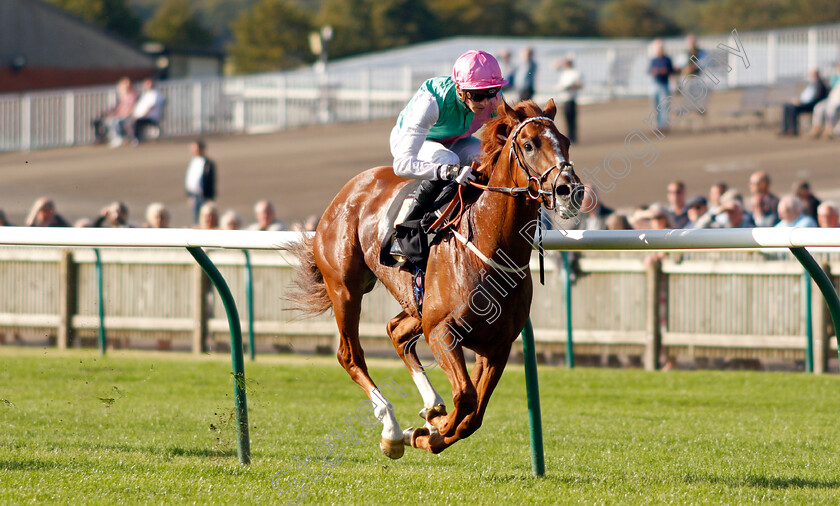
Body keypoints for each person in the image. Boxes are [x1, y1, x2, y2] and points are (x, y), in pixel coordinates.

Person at [388, 50, 508, 256]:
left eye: (492, 91)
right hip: (417, 143)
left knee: (488, 158)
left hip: (455, 140)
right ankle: (406, 231)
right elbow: (402, 164)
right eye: (477, 95)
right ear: (459, 90)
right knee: (449, 160)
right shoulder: (431, 101)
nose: (485, 102)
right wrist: (449, 172)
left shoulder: (494, 99)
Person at [779, 68, 828, 136]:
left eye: (811, 75)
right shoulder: (811, 84)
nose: (809, 76)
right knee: (787, 106)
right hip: (804, 103)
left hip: (810, 105)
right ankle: (786, 128)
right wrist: (799, 100)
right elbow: (805, 96)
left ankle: (792, 129)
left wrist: (802, 103)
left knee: (792, 108)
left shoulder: (820, 85)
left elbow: (816, 98)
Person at [184, 140, 217, 225]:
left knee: (205, 217)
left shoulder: (207, 163)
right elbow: (190, 178)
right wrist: (189, 194)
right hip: (194, 195)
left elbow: (211, 181)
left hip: (204, 196)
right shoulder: (193, 161)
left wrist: (209, 196)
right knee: (196, 218)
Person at [103, 77, 139, 147]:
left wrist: (124, 114)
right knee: (110, 121)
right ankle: (116, 138)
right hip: (121, 115)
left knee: (117, 121)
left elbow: (132, 108)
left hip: (129, 116)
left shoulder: (134, 95)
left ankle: (121, 138)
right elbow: (118, 108)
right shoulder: (121, 96)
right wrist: (114, 114)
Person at [808, 62, 840, 139]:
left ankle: (829, 129)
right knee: (818, 107)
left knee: (830, 110)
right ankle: (816, 128)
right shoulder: (834, 78)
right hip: (831, 99)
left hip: (838, 100)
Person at [555, 56, 583, 144]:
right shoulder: (564, 72)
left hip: (571, 98)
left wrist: (570, 86)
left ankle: (573, 137)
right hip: (564, 99)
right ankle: (569, 137)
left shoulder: (576, 73)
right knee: (566, 119)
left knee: (572, 119)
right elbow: (554, 66)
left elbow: (580, 84)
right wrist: (561, 61)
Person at [649, 39, 675, 131]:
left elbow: (672, 71)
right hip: (656, 83)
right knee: (655, 106)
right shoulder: (654, 60)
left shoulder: (667, 59)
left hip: (664, 84)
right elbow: (650, 71)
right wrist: (655, 71)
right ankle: (656, 125)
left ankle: (664, 125)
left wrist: (666, 71)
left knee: (664, 105)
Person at [130, 78, 166, 145]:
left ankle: (137, 139)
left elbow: (151, 106)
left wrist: (144, 115)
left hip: (151, 117)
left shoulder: (156, 94)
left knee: (137, 122)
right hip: (141, 116)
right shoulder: (145, 94)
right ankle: (130, 138)